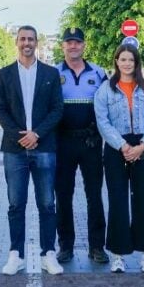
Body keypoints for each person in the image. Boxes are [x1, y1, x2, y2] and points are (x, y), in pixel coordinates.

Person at [0, 25, 64, 275]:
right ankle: (16, 254)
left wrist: (37, 134)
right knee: (16, 204)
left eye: (31, 39)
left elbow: (57, 109)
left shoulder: (51, 73)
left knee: (47, 203)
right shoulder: (3, 74)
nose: (27, 43)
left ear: (37, 42)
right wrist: (19, 136)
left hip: (44, 147)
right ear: (17, 42)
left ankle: (49, 253)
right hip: (14, 149)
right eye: (23, 38)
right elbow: (0, 109)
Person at [94, 44, 144, 273]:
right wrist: (123, 145)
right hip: (116, 149)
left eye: (130, 60)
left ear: (136, 62)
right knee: (118, 201)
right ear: (116, 61)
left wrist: (142, 146)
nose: (126, 63)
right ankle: (118, 254)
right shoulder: (105, 90)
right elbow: (102, 122)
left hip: (143, 147)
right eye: (122, 59)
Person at [54, 27, 108, 265]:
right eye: (69, 43)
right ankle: (65, 246)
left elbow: (108, 104)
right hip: (63, 141)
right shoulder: (53, 73)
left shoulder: (98, 72)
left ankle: (97, 247)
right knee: (63, 196)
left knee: (94, 195)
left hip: (90, 142)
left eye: (77, 42)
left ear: (84, 45)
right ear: (62, 46)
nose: (73, 46)